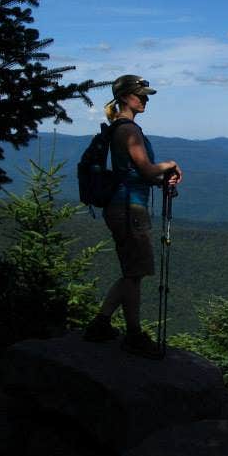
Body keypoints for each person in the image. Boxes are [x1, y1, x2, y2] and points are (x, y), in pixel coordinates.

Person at [83, 74, 182, 357]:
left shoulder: (120, 128)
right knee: (135, 272)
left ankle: (102, 324)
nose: (146, 99)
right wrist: (170, 165)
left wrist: (162, 181)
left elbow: (137, 174)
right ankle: (133, 334)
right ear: (126, 97)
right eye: (141, 95)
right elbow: (147, 170)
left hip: (124, 205)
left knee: (132, 273)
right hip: (129, 208)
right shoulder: (129, 131)